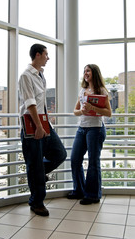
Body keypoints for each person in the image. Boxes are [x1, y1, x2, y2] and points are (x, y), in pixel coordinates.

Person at [19, 43, 67, 216]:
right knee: (34, 165)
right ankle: (37, 203)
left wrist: (46, 124)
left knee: (60, 153)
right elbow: (30, 103)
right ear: (37, 55)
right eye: (46, 54)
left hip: (45, 125)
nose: (48, 57)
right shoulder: (26, 75)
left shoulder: (41, 75)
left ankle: (38, 173)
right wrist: (39, 126)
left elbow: (41, 104)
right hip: (32, 127)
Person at [67, 64, 112, 204]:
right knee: (75, 159)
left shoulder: (102, 91)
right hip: (82, 128)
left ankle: (92, 195)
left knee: (93, 162)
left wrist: (93, 107)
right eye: (84, 71)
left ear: (94, 73)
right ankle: (79, 190)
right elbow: (75, 111)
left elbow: (109, 113)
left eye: (88, 71)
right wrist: (82, 112)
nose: (85, 73)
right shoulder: (83, 90)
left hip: (96, 129)